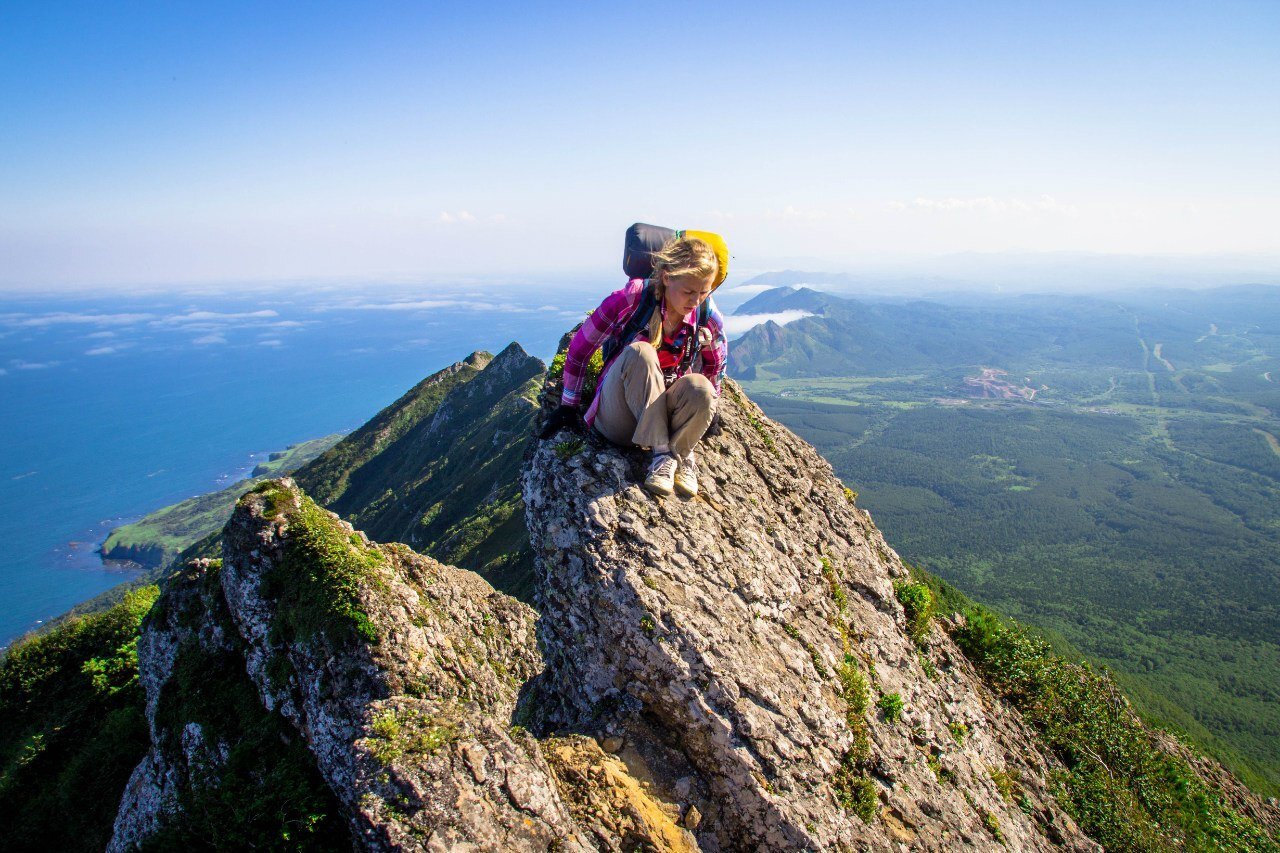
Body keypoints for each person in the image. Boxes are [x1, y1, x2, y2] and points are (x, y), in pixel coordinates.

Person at [542, 235, 728, 497]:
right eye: (688, 291)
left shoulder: (706, 314)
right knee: (641, 353)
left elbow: (716, 364)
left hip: (665, 409)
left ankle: (680, 454)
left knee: (702, 388)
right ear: (666, 277)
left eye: (703, 291)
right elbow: (580, 349)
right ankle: (663, 454)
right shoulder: (632, 299)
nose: (695, 300)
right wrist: (568, 405)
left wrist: (707, 408)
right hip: (620, 418)